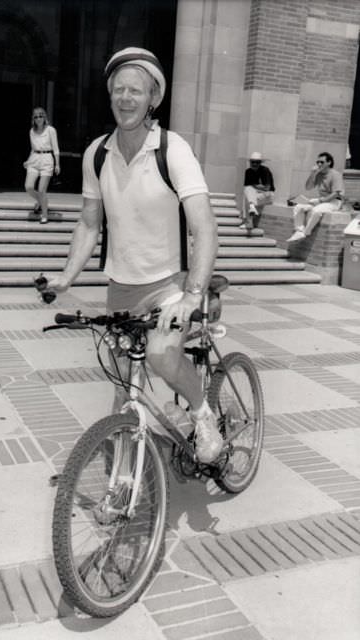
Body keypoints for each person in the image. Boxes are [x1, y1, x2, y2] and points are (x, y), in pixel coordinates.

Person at [47, 47, 222, 464]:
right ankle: (122, 478)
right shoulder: (97, 154)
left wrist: (192, 296)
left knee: (162, 355)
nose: (126, 98)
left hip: (170, 284)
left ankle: (203, 416)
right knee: (123, 382)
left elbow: (205, 226)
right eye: (119, 90)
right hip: (121, 288)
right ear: (110, 96)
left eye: (136, 91)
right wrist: (65, 278)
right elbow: (89, 224)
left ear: (152, 99)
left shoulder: (172, 148)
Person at [287, 152, 345, 242]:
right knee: (299, 207)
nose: (319, 164)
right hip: (321, 200)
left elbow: (336, 193)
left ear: (329, 162)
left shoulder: (335, 175)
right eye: (317, 162)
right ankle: (299, 230)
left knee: (316, 211)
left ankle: (305, 233)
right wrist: (312, 174)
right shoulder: (318, 174)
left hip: (334, 202)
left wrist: (320, 201)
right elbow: (308, 187)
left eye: (322, 162)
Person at [23, 107, 60, 224]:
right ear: (33, 119)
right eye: (36, 116)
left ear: (45, 117)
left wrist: (57, 164)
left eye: (40, 116)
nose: (38, 118)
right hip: (34, 159)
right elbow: (32, 149)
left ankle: (44, 214)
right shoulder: (31, 132)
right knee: (28, 187)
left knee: (41, 190)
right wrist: (28, 161)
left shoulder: (51, 130)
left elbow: (56, 149)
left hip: (47, 159)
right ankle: (41, 201)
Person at [240, 152, 275, 230]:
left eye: (257, 162)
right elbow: (247, 186)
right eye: (253, 162)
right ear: (250, 162)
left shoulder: (265, 170)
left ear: (260, 163)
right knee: (247, 191)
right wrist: (257, 186)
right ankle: (252, 209)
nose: (255, 164)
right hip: (256, 196)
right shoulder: (248, 172)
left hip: (267, 195)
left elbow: (267, 188)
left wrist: (254, 185)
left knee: (248, 192)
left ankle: (248, 221)